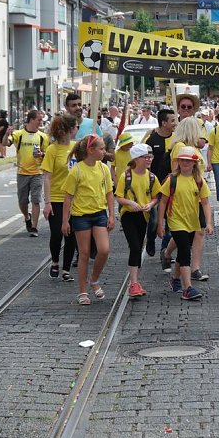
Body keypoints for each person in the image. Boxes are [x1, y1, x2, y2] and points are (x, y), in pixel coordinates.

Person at [62, 134, 115, 306]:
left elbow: (109, 193)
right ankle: (82, 291)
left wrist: (112, 215)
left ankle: (94, 279)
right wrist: (65, 221)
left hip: (99, 214)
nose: (104, 152)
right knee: (84, 254)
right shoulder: (77, 170)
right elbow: (68, 197)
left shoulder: (103, 168)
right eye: (101, 149)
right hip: (81, 216)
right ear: (90, 150)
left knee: (104, 249)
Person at [157, 146, 212, 301]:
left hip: (192, 222)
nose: (185, 163)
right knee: (185, 250)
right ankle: (187, 288)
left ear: (194, 163)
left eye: (188, 161)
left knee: (183, 251)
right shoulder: (171, 179)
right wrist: (160, 224)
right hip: (175, 221)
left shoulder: (199, 181)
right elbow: (163, 202)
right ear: (178, 162)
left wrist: (208, 223)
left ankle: (175, 279)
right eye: (182, 160)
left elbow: (206, 203)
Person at [116, 144, 161, 298]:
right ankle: (134, 283)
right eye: (145, 157)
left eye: (150, 157)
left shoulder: (152, 177)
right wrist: (130, 203)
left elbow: (156, 196)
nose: (149, 159)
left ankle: (135, 282)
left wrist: (151, 204)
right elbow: (119, 196)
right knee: (135, 246)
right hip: (128, 215)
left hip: (143, 215)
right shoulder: (126, 176)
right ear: (136, 159)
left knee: (138, 247)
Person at [41, 114, 78, 282]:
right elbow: (47, 177)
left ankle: (66, 269)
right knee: (57, 233)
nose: (77, 129)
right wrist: (47, 202)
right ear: (67, 130)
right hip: (56, 199)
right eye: (75, 126)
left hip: (74, 199)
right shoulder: (52, 150)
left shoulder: (76, 147)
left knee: (71, 234)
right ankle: (55, 261)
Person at [5, 109, 50, 237]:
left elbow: (48, 154)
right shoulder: (19, 134)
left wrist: (42, 154)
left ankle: (34, 227)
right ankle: (26, 216)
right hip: (22, 172)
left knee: (36, 200)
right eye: (39, 120)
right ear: (31, 120)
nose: (40, 122)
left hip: (37, 172)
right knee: (22, 201)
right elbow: (5, 143)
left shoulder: (43, 137)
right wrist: (6, 133)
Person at [145, 108, 177, 262]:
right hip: (155, 186)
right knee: (154, 220)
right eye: (172, 120)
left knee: (170, 219)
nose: (174, 123)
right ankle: (150, 238)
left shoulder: (176, 139)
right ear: (164, 123)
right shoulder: (152, 139)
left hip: (172, 185)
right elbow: (145, 162)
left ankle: (165, 250)